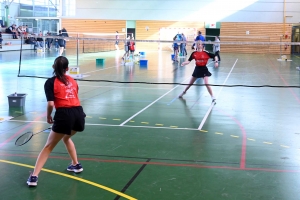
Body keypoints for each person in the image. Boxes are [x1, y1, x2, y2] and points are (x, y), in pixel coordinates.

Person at [26, 56, 86, 186]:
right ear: (67, 68)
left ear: (53, 67)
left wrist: (48, 116)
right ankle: (76, 164)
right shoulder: (73, 81)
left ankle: (34, 177)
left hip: (65, 114)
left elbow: (51, 104)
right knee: (66, 138)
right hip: (79, 114)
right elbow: (75, 95)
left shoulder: (50, 82)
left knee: (48, 147)